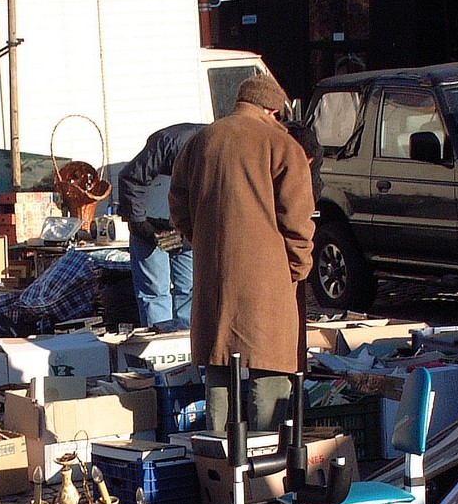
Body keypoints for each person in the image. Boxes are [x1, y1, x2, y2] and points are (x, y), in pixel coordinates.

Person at [169, 74, 315, 433]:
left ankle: (216, 472)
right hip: (269, 282)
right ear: (271, 109)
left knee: (220, 369)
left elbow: (178, 205)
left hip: (213, 278)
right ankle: (262, 477)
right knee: (269, 375)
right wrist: (298, 267)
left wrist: (201, 239)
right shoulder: (280, 144)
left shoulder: (202, 140)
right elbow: (297, 220)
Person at [117, 123, 203, 332]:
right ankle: (160, 353)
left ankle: (189, 351)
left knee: (192, 290)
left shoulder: (218, 150)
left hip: (187, 228)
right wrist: (142, 227)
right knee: (155, 292)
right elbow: (130, 179)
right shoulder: (167, 144)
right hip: (151, 225)